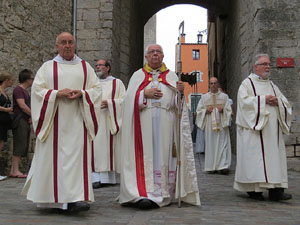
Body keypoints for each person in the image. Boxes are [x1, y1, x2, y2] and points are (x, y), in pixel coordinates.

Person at [22, 32, 102, 212]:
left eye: (70, 42)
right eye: (63, 43)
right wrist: (56, 94)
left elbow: (96, 89)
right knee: (54, 160)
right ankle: (52, 200)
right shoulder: (48, 67)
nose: (67, 46)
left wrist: (83, 94)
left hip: (77, 121)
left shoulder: (85, 67)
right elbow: (37, 91)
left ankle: (75, 199)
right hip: (53, 122)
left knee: (75, 161)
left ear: (75, 45)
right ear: (57, 46)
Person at [118, 44, 200, 209]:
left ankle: (162, 192)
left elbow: (179, 106)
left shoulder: (171, 76)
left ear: (163, 56)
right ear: (146, 57)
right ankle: (142, 193)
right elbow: (126, 101)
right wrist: (143, 94)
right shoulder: (137, 76)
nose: (155, 55)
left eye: (158, 52)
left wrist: (181, 93)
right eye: (151, 52)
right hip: (143, 123)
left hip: (166, 123)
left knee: (162, 156)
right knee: (146, 156)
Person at [234, 54, 292, 201]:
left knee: (274, 159)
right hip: (255, 131)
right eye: (264, 64)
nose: (267, 67)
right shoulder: (247, 84)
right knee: (256, 160)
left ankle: (276, 191)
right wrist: (263, 100)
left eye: (269, 64)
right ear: (256, 66)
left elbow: (285, 103)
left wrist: (277, 102)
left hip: (272, 132)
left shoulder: (272, 85)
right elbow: (243, 103)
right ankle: (254, 191)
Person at [91, 59, 125, 189]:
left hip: (110, 119)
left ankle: (108, 178)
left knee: (107, 148)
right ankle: (95, 177)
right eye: (97, 66)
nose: (97, 67)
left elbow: (124, 100)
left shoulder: (117, 83)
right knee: (95, 148)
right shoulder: (92, 84)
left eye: (100, 65)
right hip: (95, 119)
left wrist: (111, 103)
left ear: (108, 68)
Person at [196, 77, 232, 175]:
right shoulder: (204, 97)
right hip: (210, 125)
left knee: (222, 144)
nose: (213, 85)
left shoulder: (224, 97)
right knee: (211, 144)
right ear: (209, 85)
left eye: (215, 83)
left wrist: (223, 110)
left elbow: (229, 110)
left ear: (218, 84)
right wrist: (206, 111)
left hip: (221, 125)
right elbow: (199, 111)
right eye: (211, 83)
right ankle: (211, 166)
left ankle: (223, 166)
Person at [9, 69, 33, 178]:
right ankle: (15, 170)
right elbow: (22, 105)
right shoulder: (18, 90)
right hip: (20, 120)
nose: (33, 81)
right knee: (20, 144)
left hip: (24, 120)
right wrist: (33, 115)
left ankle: (14, 170)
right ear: (27, 79)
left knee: (22, 144)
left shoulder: (24, 91)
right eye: (32, 78)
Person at [0, 71, 14, 181]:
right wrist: (6, 109)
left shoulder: (4, 91)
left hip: (4, 122)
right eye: (11, 80)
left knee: (0, 146)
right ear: (6, 80)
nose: (12, 82)